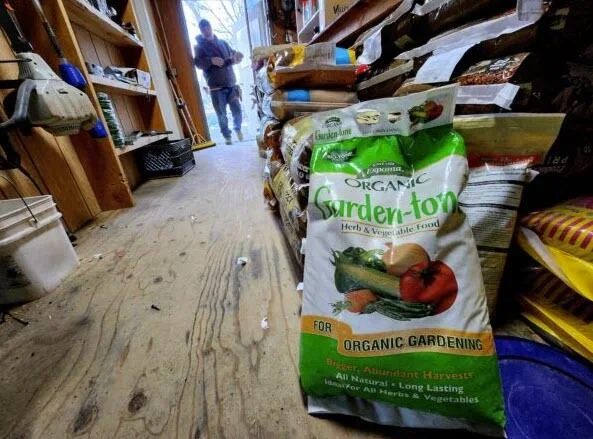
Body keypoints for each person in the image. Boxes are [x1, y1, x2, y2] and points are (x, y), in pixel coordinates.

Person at [194, 19, 244, 145]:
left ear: (210, 27)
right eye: (203, 28)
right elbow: (198, 63)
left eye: (207, 27)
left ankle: (238, 129)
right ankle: (227, 137)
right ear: (201, 30)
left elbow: (233, 55)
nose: (206, 30)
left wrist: (237, 57)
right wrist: (211, 60)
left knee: (237, 110)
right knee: (221, 115)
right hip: (216, 88)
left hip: (231, 84)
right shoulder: (199, 47)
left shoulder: (223, 43)